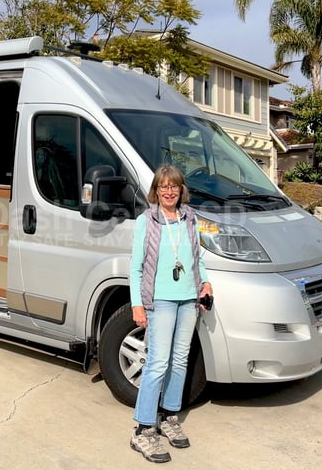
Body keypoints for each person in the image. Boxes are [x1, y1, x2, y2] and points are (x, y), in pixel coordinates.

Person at [128, 164, 213, 464]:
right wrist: (137, 303)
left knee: (179, 360)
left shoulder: (190, 218)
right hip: (160, 300)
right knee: (157, 362)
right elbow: (136, 267)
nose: (169, 191)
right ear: (156, 190)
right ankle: (142, 429)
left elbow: (196, 256)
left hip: (189, 298)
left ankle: (168, 416)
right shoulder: (146, 221)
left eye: (173, 186)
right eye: (163, 186)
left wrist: (205, 283)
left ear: (180, 190)